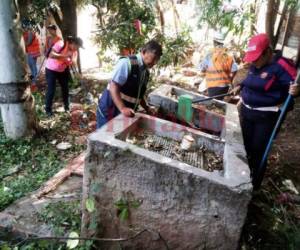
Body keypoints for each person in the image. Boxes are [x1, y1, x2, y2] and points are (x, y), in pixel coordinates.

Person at [231, 33, 299, 189]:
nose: (254, 62)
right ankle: (240, 177)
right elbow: (251, 80)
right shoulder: (256, 64)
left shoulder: (281, 65)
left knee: (257, 150)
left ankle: (253, 185)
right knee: (244, 145)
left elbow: (295, 84)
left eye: (256, 58)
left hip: (266, 117)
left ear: (268, 52)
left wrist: (297, 90)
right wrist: (240, 86)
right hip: (247, 112)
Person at [96, 40, 163, 128]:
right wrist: (123, 108)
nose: (155, 63)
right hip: (110, 110)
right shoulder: (127, 63)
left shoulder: (145, 72)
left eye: (156, 60)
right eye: (153, 59)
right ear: (144, 52)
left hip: (122, 114)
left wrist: (146, 107)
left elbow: (138, 93)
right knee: (103, 137)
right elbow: (114, 86)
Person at [45, 36, 84, 116]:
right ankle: (48, 110)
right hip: (51, 69)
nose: (77, 49)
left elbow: (73, 63)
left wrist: (77, 73)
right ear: (73, 43)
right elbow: (51, 55)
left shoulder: (74, 52)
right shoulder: (60, 44)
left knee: (65, 89)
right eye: (77, 46)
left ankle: (67, 107)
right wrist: (65, 56)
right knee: (51, 90)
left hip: (62, 70)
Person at [198, 32, 238, 100]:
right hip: (225, 86)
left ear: (214, 42)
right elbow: (235, 69)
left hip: (213, 86)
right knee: (220, 101)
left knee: (215, 105)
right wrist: (230, 79)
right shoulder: (228, 55)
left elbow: (202, 68)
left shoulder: (210, 54)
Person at [22, 21, 41, 91]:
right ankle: (33, 82)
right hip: (30, 52)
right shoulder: (25, 33)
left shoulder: (30, 32)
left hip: (33, 52)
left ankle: (34, 83)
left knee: (33, 67)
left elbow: (28, 43)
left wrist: (22, 45)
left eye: (24, 27)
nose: (23, 28)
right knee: (32, 66)